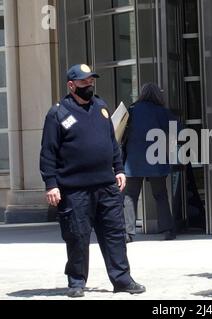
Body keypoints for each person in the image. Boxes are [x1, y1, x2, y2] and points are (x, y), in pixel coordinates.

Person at [39, 64, 146, 298]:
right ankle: (77, 282)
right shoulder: (58, 113)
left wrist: (118, 168)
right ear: (71, 85)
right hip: (74, 189)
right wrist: (51, 184)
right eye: (84, 82)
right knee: (77, 235)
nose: (89, 85)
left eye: (91, 81)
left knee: (115, 234)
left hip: (106, 185)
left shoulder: (101, 106)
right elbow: (48, 152)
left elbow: (112, 142)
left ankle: (122, 279)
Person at [122, 83, 177, 242]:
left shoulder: (132, 110)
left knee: (130, 196)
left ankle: (128, 233)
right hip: (156, 158)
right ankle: (168, 230)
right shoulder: (162, 112)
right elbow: (176, 130)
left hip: (134, 159)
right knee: (160, 195)